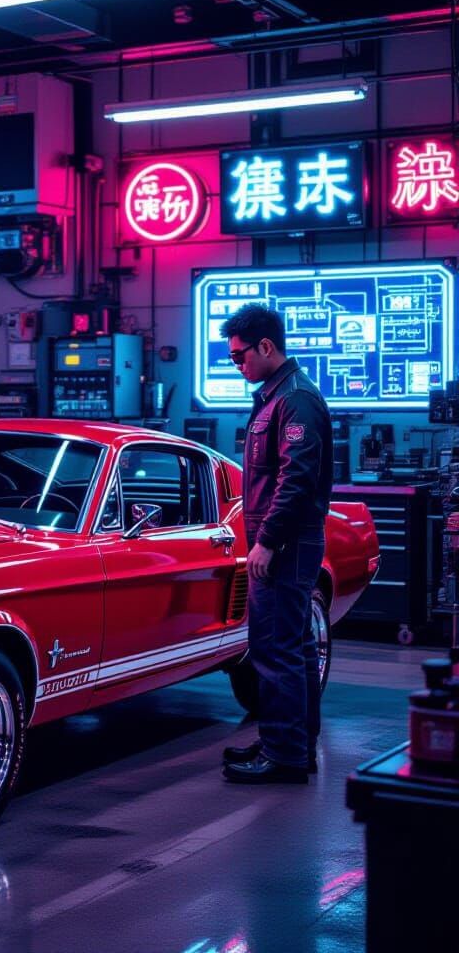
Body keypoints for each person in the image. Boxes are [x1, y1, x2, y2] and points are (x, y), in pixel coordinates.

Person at [219, 303, 332, 785]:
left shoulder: (295, 400)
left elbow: (296, 479)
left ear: (267, 346)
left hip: (285, 541)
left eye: (240, 356)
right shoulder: (275, 396)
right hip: (287, 539)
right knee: (295, 646)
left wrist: (266, 541)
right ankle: (289, 746)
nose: (237, 365)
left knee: (275, 648)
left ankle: (284, 756)